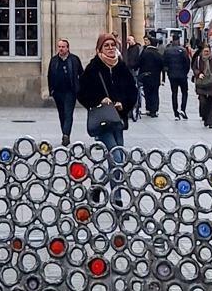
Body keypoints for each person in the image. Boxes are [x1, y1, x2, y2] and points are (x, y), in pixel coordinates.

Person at [78, 36, 136, 197]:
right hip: (103, 121)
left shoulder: (121, 67)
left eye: (112, 45)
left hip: (118, 119)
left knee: (117, 160)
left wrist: (123, 104)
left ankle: (97, 187)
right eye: (106, 46)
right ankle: (117, 198)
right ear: (99, 49)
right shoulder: (93, 67)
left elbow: (132, 91)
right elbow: (82, 93)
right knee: (117, 157)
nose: (110, 48)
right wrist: (99, 100)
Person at [46, 38, 83, 146]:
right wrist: (51, 90)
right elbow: (49, 75)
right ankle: (65, 133)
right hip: (58, 92)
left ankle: (66, 135)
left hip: (70, 91)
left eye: (63, 47)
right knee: (62, 114)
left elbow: (81, 73)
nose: (61, 49)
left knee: (68, 113)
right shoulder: (54, 60)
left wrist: (79, 88)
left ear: (67, 48)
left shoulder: (74, 59)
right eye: (59, 47)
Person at [192, 43, 212, 129]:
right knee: (203, 102)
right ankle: (205, 117)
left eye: (208, 51)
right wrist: (198, 74)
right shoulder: (198, 60)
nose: (206, 53)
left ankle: (211, 122)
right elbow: (194, 68)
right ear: (202, 51)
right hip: (202, 85)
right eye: (205, 51)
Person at [161, 36, 190, 121]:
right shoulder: (183, 50)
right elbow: (187, 62)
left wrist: (168, 72)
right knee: (184, 92)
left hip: (172, 75)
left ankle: (176, 113)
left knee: (174, 93)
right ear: (178, 40)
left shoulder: (167, 51)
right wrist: (185, 72)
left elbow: (164, 63)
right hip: (182, 75)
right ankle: (183, 109)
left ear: (172, 40)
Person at [137, 34, 164, 118]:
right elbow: (162, 65)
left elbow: (139, 62)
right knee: (155, 93)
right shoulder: (158, 54)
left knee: (147, 93)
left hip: (146, 76)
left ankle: (148, 108)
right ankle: (154, 110)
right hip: (155, 77)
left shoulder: (145, 53)